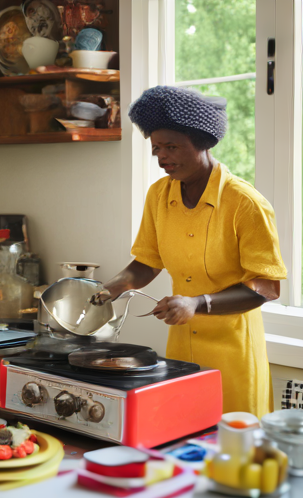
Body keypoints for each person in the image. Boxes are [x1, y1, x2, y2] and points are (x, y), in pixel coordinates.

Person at [94, 86, 287, 419]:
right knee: (182, 442)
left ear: (203, 142)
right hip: (181, 348)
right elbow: (146, 262)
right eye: (156, 148)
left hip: (234, 353)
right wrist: (109, 288)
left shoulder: (245, 203)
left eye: (172, 146)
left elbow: (266, 287)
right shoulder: (158, 196)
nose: (162, 157)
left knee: (233, 455)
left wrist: (197, 303)